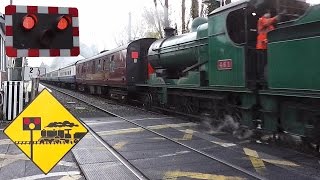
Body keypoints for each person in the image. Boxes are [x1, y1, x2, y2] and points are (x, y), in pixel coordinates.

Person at [256, 10, 279, 82]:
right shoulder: (261, 20)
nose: (269, 14)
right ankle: (261, 78)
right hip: (261, 46)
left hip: (268, 46)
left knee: (267, 63)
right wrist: (277, 17)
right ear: (264, 14)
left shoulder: (271, 26)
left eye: (269, 13)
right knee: (262, 64)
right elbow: (267, 22)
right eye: (267, 13)